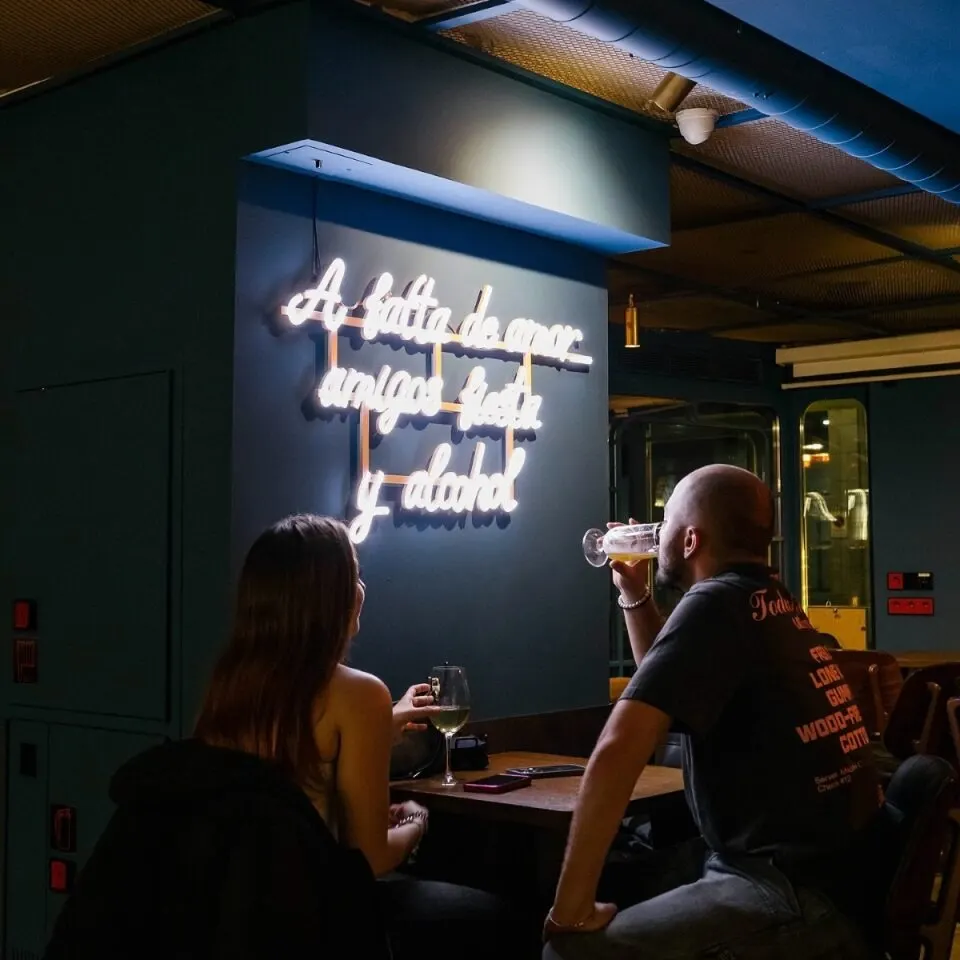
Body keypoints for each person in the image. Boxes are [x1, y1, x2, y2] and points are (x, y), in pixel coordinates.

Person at [46, 514, 520, 959]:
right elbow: (369, 860)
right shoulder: (359, 693)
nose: (361, 589)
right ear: (332, 600)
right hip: (311, 918)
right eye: (352, 578)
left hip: (229, 915)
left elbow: (279, 767)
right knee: (502, 920)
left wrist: (386, 724)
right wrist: (416, 823)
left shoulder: (229, 685)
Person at [543, 465, 881, 960]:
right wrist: (635, 593)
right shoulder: (768, 599)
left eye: (666, 522)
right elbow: (668, 683)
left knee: (569, 954)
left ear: (690, 540)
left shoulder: (715, 603)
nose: (656, 534)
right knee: (631, 876)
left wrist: (567, 913)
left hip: (791, 891)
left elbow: (617, 751)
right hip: (844, 877)